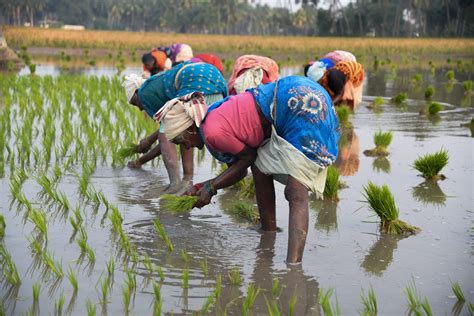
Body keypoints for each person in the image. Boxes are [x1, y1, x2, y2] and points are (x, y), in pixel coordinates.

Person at [154, 61, 364, 263]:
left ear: (190, 128)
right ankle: (268, 231)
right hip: (291, 93)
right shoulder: (211, 117)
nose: (187, 146)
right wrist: (205, 186)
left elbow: (244, 162)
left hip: (300, 103)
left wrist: (210, 187)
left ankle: (293, 267)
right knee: (261, 168)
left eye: (182, 140)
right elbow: (248, 162)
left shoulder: (211, 134)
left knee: (295, 191)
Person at [122, 61, 227, 193]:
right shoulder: (158, 86)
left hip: (196, 84)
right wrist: (144, 151)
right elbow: (174, 131)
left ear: (137, 92)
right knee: (186, 132)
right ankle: (188, 181)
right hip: (216, 82)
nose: (138, 108)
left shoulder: (145, 93)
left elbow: (168, 136)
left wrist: (145, 148)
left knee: (181, 133)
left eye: (134, 102)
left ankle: (175, 184)